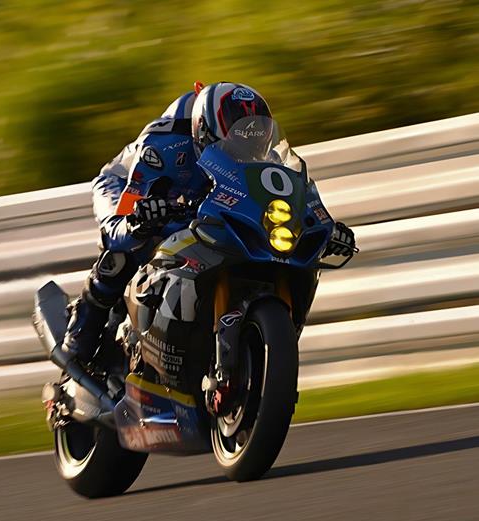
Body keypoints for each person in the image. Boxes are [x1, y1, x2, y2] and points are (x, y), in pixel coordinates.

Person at [61, 82, 355, 367]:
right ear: (207, 132)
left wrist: (324, 226)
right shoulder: (163, 146)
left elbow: (292, 197)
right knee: (126, 247)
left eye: (255, 139)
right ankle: (79, 341)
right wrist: (140, 218)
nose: (246, 148)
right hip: (126, 186)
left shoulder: (266, 159)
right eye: (237, 139)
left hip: (199, 210)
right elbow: (126, 215)